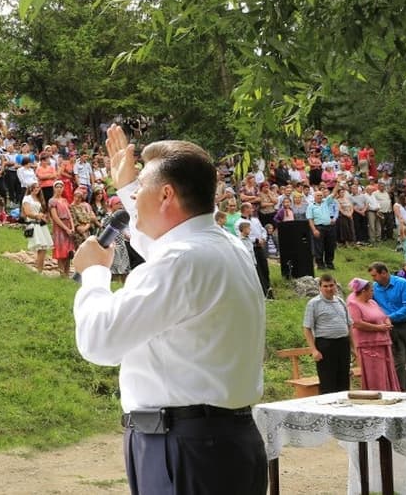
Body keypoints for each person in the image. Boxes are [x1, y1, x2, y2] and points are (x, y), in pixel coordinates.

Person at [73, 126, 266, 494]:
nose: (132, 201)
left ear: (166, 194)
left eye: (143, 186)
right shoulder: (226, 245)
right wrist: (130, 186)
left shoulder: (183, 261)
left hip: (184, 445)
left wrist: (95, 273)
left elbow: (98, 341)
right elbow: (164, 237)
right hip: (216, 440)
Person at [369, 261, 406, 392]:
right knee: (398, 360)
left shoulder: (403, 284)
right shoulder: (375, 288)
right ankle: (400, 390)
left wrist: (389, 317)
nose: (373, 279)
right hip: (391, 327)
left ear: (384, 273)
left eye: (375, 275)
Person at [346, 278, 400, 391]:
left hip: (383, 342)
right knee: (375, 372)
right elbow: (357, 323)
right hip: (368, 344)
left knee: (387, 370)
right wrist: (378, 328)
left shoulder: (373, 302)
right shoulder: (353, 304)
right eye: (371, 290)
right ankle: (376, 393)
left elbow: (383, 316)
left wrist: (387, 322)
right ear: (363, 291)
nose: (373, 293)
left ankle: (390, 392)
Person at [302, 273, 352, 394]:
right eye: (325, 286)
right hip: (326, 345)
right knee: (328, 381)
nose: (329, 288)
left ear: (335, 286)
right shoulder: (314, 303)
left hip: (343, 344)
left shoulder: (340, 301)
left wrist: (353, 347)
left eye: (331, 285)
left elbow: (349, 325)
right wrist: (314, 350)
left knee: (344, 379)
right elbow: (307, 328)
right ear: (320, 287)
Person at [306, 180, 341, 269]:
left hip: (330, 227)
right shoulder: (311, 206)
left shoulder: (326, 201)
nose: (319, 197)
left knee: (330, 246)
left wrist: (338, 183)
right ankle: (320, 264)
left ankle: (329, 263)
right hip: (319, 227)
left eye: (321, 195)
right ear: (314, 196)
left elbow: (333, 193)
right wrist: (314, 230)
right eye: (318, 195)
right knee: (319, 247)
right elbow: (310, 219)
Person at [22, 183, 53, 273]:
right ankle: (38, 269)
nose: (37, 189)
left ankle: (40, 269)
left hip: (40, 224)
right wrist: (37, 215)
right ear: (31, 188)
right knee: (40, 246)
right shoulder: (27, 198)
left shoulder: (39, 199)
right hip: (33, 223)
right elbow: (27, 212)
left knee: (44, 247)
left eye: (38, 187)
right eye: (35, 187)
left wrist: (44, 217)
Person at [48, 180, 75, 277]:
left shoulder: (65, 200)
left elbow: (69, 214)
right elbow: (55, 217)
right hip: (59, 227)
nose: (59, 189)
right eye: (57, 187)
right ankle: (61, 272)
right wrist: (65, 228)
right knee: (61, 249)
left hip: (68, 224)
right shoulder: (52, 201)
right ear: (54, 188)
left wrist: (72, 227)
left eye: (61, 187)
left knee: (69, 250)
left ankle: (67, 272)